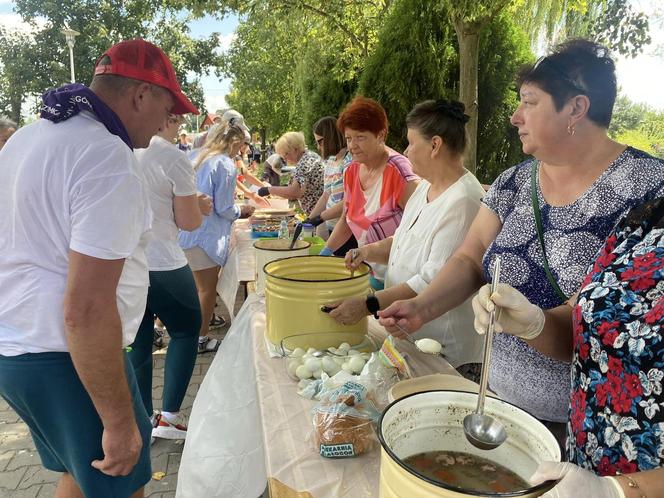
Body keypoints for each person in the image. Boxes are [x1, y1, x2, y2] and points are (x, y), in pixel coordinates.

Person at [378, 39, 664, 443]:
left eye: (529, 102)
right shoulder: (515, 182)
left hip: (586, 431)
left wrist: (535, 324)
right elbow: (470, 258)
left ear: (576, 108)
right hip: (495, 404)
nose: (515, 117)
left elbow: (612, 324)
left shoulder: (648, 191)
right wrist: (421, 307)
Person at [0, 39, 197, 498]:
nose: (168, 122)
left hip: (20, 348)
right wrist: (120, 422)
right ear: (140, 95)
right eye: (168, 107)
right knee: (121, 481)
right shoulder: (106, 156)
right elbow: (86, 309)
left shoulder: (30, 137)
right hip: (66, 357)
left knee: (77, 474)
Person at [472, 197, 664, 497]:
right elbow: (586, 330)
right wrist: (533, 322)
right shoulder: (648, 216)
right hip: (577, 473)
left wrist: (618, 491)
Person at [327, 100, 485, 376]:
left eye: (412, 143)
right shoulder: (425, 186)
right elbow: (401, 241)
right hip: (409, 335)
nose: (407, 151)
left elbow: (431, 280)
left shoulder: (464, 202)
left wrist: (369, 304)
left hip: (445, 351)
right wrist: (367, 251)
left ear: (435, 145)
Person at [130, 114, 212, 440]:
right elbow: (189, 222)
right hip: (164, 260)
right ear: (166, 118)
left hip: (128, 264)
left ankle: (144, 418)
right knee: (186, 330)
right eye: (177, 120)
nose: (180, 127)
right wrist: (200, 206)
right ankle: (170, 416)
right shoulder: (173, 156)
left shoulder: (124, 148)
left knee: (137, 340)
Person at [322, 96, 419, 289]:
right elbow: (346, 221)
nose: (352, 145)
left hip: (404, 283)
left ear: (381, 135)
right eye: (348, 138)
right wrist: (325, 253)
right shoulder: (351, 171)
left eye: (360, 137)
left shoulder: (399, 172)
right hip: (372, 274)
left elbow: (419, 230)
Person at [179, 124, 255, 353]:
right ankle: (199, 339)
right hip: (206, 237)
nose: (241, 151)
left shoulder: (193, 155)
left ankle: (188, 334)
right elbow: (223, 207)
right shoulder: (224, 164)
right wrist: (242, 211)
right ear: (234, 143)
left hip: (185, 232)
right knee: (206, 290)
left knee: (194, 288)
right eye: (241, 146)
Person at [305, 116, 356, 249]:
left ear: (331, 137)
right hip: (331, 226)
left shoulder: (350, 162)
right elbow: (326, 194)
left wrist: (320, 218)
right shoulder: (330, 161)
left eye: (320, 142)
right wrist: (309, 219)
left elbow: (348, 203)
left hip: (348, 230)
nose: (318, 146)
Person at [256, 131, 324, 214]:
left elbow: (295, 192)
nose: (284, 158)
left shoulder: (305, 162)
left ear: (295, 149)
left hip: (319, 215)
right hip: (317, 212)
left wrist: (269, 190)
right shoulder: (308, 157)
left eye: (286, 154)